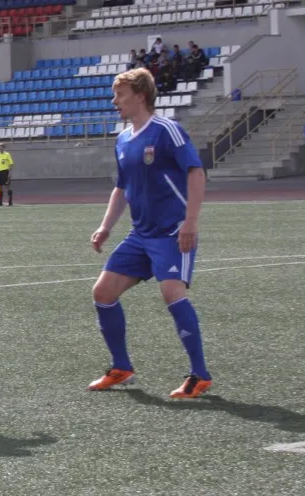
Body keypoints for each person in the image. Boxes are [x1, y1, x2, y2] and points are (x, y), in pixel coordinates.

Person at [88, 68, 212, 399]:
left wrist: (191, 221)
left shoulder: (166, 131)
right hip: (140, 235)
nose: (114, 101)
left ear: (140, 96)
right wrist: (105, 226)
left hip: (172, 232)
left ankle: (200, 375)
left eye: (120, 95)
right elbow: (122, 188)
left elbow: (196, 173)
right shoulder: (123, 139)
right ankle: (121, 367)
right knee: (103, 292)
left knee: (172, 293)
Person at [0, 142, 14, 206]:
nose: (0, 148)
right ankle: (0, 202)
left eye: (1, 147)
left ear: (4, 148)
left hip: (5, 171)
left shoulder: (7, 154)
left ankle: (10, 202)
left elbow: (11, 164)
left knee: (7, 186)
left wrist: (9, 173)